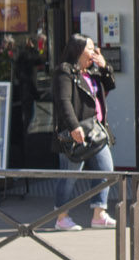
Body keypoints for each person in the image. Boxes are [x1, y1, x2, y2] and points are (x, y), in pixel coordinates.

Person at [50, 33, 118, 231]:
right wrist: (73, 127)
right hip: (77, 132)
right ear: (77, 50)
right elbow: (63, 102)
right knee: (70, 174)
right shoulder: (65, 72)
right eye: (90, 48)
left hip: (96, 130)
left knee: (106, 169)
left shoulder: (92, 73)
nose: (94, 52)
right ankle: (61, 216)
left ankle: (99, 213)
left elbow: (110, 85)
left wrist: (105, 67)